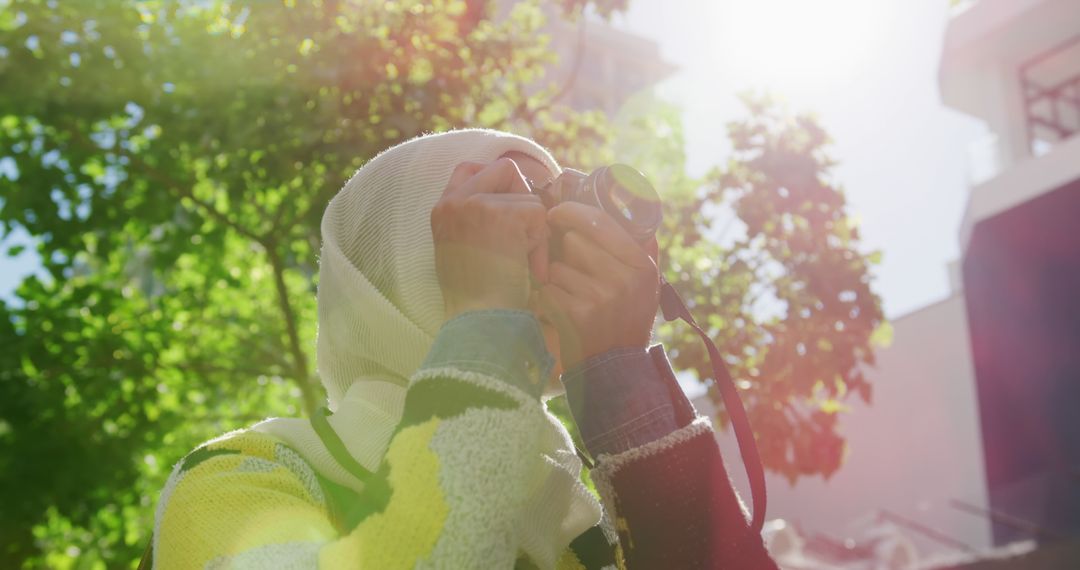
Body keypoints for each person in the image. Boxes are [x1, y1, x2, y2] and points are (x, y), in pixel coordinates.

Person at [148, 129, 778, 569]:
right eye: (500, 214)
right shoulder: (238, 478)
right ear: (399, 262)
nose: (547, 244)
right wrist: (486, 323)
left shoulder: (583, 523)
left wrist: (621, 389)